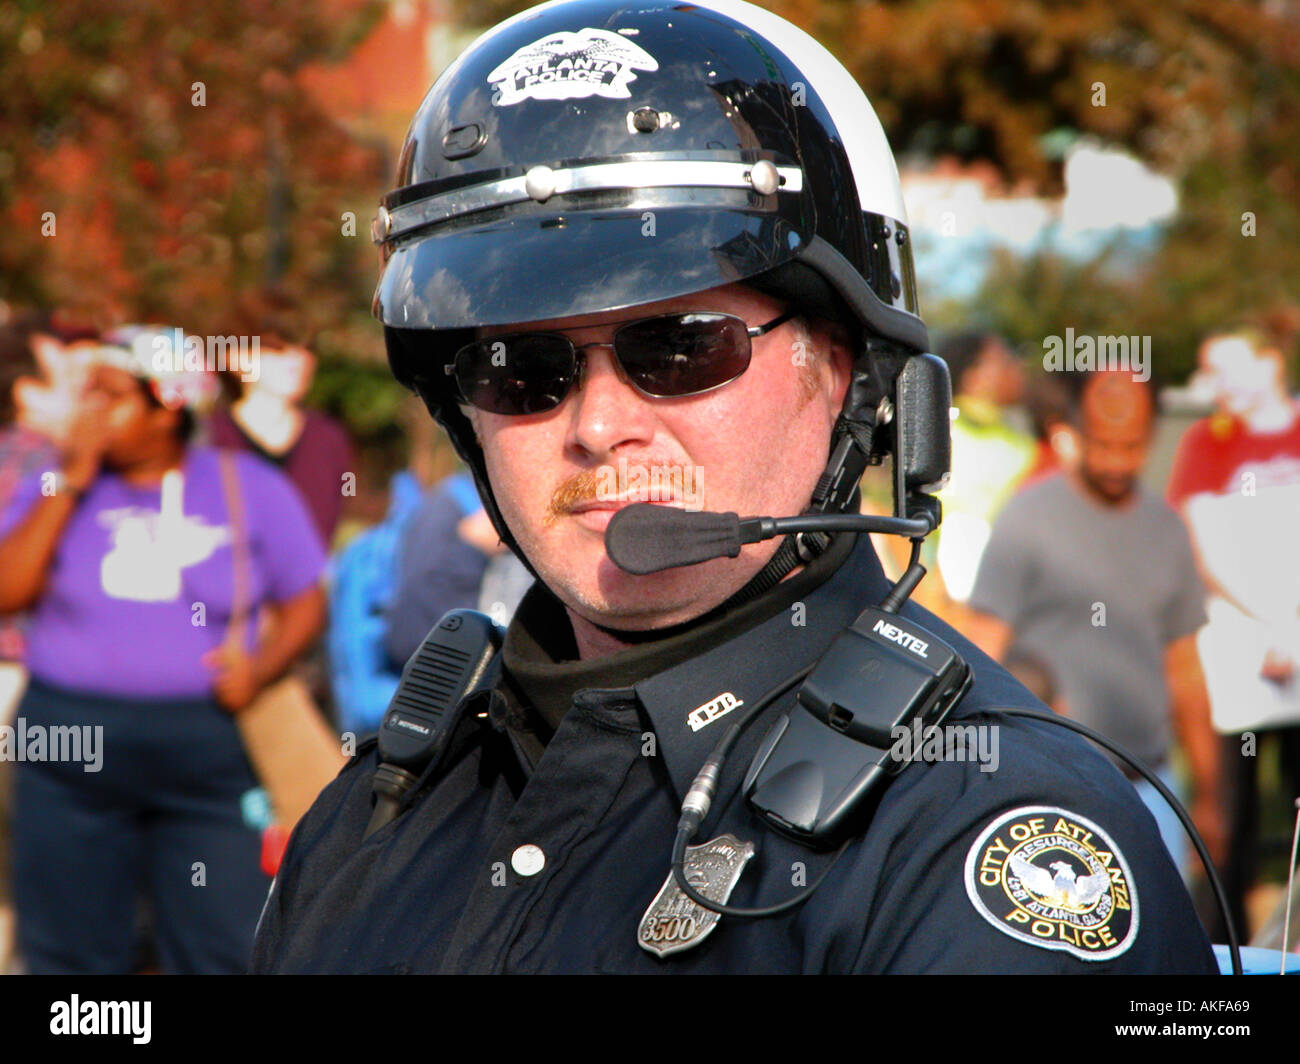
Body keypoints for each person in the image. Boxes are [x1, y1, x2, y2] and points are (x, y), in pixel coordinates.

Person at [251, 0, 1215, 974]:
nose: (595, 425)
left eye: (677, 347)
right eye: (521, 367)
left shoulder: (974, 831)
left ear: (843, 370)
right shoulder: (379, 809)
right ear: (466, 416)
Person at [0, 326, 327, 974]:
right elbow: (9, 591)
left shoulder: (246, 487)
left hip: (209, 758)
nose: (87, 411)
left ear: (167, 404)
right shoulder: (53, 483)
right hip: (67, 754)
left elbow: (306, 601)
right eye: (85, 393)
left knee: (221, 943)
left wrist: (261, 667)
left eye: (108, 395)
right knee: (69, 951)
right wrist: (70, 480)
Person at [966, 371, 1223, 876]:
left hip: (1153, 788)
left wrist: (1212, 797)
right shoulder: (1028, 518)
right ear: (1076, 430)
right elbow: (981, 653)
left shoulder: (1166, 527)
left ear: (1152, 435)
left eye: (1131, 447)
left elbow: (1186, 668)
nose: (1115, 461)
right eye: (1103, 444)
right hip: (1052, 797)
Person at [1166, 322, 1300, 937]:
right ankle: (1222, 957)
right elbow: (1200, 548)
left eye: (1228, 367)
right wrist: (1273, 626)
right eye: (1209, 371)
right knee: (1227, 818)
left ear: (1272, 363)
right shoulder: (1205, 442)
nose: (1216, 385)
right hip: (1236, 661)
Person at [933, 331, 1036, 604]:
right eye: (1005, 360)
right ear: (972, 375)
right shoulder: (945, 430)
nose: (1017, 368)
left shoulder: (1023, 441)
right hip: (948, 592)